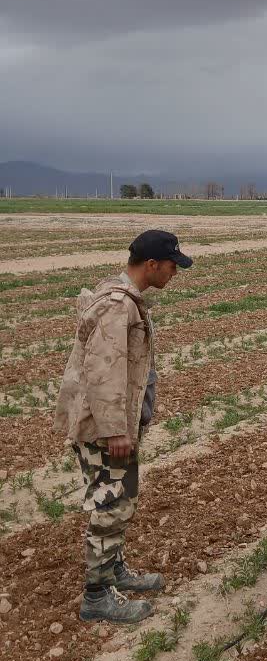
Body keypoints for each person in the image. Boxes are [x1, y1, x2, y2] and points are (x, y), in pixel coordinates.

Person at [53, 230, 193, 623]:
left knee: (120, 498)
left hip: (114, 424)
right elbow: (104, 372)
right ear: (152, 265)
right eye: (172, 265)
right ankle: (96, 596)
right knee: (111, 503)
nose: (175, 273)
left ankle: (113, 570)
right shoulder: (117, 306)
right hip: (105, 429)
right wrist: (115, 430)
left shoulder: (124, 300)